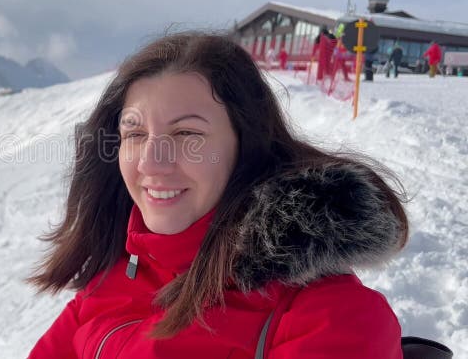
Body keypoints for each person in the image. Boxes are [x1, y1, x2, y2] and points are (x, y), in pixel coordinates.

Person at [28, 33, 409, 358]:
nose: (150, 163)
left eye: (187, 134)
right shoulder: (113, 277)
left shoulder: (333, 317)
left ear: (246, 146)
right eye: (135, 133)